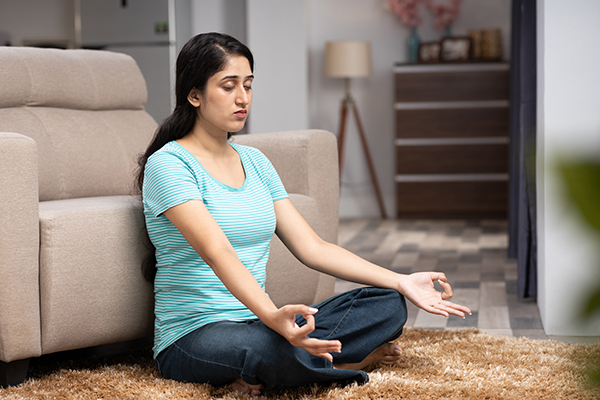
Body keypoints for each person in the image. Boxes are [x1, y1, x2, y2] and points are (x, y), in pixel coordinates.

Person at [136, 32, 471, 396]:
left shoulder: (255, 162)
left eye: (248, 85)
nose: (243, 98)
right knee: (267, 347)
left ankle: (289, 366)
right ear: (194, 94)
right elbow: (218, 252)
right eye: (228, 86)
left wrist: (400, 280)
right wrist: (272, 320)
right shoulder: (169, 165)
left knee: (387, 303)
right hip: (195, 336)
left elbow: (313, 247)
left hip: (260, 321)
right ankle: (349, 364)